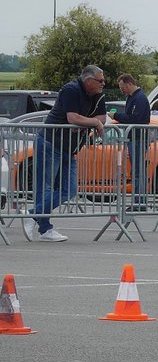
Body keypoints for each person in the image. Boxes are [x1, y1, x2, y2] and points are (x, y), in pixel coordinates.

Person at [24, 64, 107, 242]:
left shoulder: (98, 94)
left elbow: (102, 118)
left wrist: (90, 122)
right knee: (45, 188)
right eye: (100, 81)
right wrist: (92, 123)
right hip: (50, 143)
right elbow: (73, 118)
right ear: (88, 80)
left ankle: (31, 214)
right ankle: (45, 229)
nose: (103, 84)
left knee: (69, 190)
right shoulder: (71, 89)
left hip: (70, 148)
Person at [110, 73, 150, 208]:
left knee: (138, 171)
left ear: (129, 84)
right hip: (134, 138)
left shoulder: (139, 98)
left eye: (122, 87)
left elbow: (134, 119)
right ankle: (139, 201)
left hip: (138, 138)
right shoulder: (133, 97)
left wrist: (116, 115)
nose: (122, 90)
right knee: (137, 171)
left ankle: (140, 202)